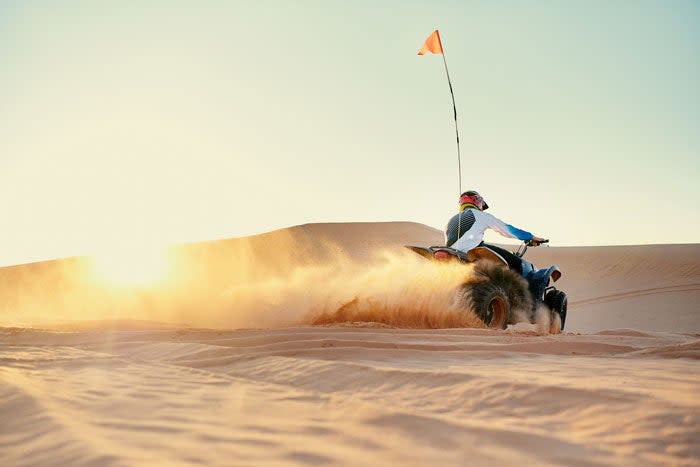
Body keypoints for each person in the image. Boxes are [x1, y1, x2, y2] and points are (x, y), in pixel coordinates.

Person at [445, 190, 546, 274]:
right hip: (473, 251)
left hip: (452, 253)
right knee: (517, 262)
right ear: (477, 201)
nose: (482, 209)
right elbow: (508, 230)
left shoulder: (450, 220)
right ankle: (520, 295)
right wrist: (530, 237)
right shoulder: (480, 215)